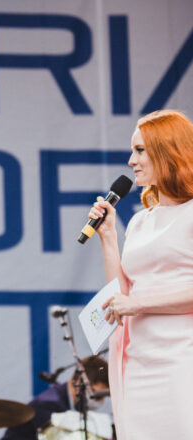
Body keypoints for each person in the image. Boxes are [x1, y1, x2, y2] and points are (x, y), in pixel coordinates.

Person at [88, 110, 193, 440]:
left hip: (181, 357)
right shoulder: (140, 221)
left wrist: (138, 305)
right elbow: (122, 294)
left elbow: (133, 302)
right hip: (136, 361)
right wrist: (107, 236)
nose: (131, 160)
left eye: (141, 150)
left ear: (169, 151)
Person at [1, 355, 109, 440]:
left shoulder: (69, 403)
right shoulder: (49, 405)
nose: (101, 401)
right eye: (97, 395)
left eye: (105, 396)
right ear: (78, 382)